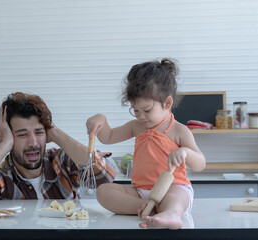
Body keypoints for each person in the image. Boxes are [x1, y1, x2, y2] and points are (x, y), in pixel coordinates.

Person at [86, 58, 206, 229]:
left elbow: (200, 163)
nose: (140, 116)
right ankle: (146, 209)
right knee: (103, 192)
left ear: (167, 103)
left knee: (174, 197)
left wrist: (186, 152)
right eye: (135, 110)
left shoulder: (179, 130)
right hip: (140, 193)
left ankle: (171, 213)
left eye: (147, 110)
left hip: (172, 188)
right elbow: (109, 137)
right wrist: (101, 120)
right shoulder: (136, 126)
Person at [0, 92, 115, 208]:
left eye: (39, 132)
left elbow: (105, 175)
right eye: (22, 134)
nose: (33, 143)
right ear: (10, 137)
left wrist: (55, 133)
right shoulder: (3, 177)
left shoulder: (62, 162)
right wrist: (3, 146)